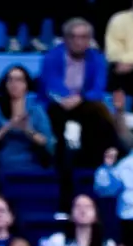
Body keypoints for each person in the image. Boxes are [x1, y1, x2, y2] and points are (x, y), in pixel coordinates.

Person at [38, 19, 114, 163]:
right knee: (59, 115)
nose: (78, 41)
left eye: (83, 37)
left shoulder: (97, 59)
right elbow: (51, 85)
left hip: (84, 103)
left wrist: (80, 98)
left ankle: (100, 160)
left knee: (98, 111)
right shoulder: (52, 57)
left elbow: (98, 88)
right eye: (73, 37)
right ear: (65, 39)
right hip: (56, 103)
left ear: (89, 40)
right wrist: (66, 98)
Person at [0, 64, 52, 175]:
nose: (14, 84)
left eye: (19, 80)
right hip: (2, 166)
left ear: (26, 84)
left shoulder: (36, 109)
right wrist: (8, 126)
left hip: (33, 166)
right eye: (10, 80)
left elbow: (48, 143)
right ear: (5, 84)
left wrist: (27, 130)